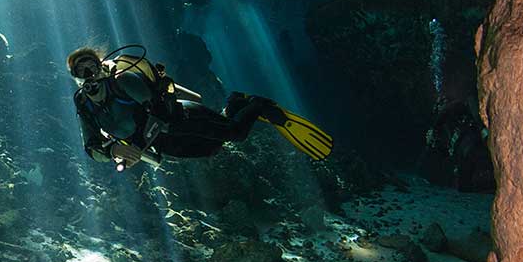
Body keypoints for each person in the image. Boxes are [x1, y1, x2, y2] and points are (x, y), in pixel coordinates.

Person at [67, 45, 333, 169]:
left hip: (180, 118)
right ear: (77, 79)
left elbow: (158, 110)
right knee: (213, 149)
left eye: (92, 65)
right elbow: (90, 146)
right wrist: (113, 148)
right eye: (82, 72)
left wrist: (135, 147)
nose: (89, 74)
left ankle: (259, 105)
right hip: (161, 145)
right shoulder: (83, 103)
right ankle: (235, 102)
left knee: (235, 134)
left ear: (101, 65)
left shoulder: (123, 81)